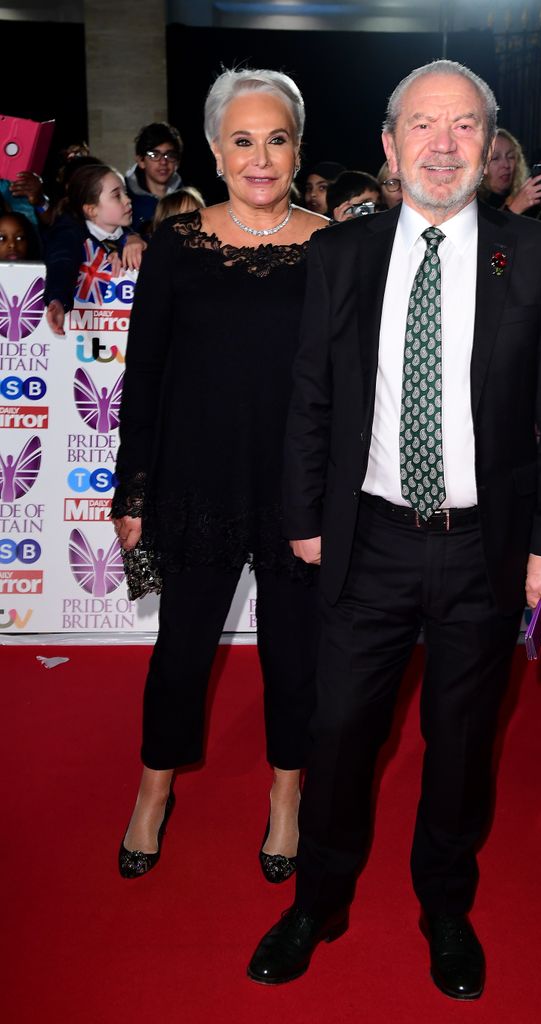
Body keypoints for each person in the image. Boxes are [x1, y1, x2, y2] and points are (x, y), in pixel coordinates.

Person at [248, 58, 541, 998]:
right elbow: (311, 399)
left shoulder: (540, 256)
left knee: (461, 740)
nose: (444, 144)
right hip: (370, 541)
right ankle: (315, 901)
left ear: (488, 149)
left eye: (465, 127)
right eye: (424, 126)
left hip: (487, 548)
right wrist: (307, 519)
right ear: (391, 147)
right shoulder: (343, 255)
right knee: (340, 731)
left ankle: (445, 905)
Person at [112, 68, 328, 884]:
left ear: (297, 147)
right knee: (181, 652)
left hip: (296, 489)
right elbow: (145, 373)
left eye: (276, 139)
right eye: (243, 140)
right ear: (215, 149)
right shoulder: (177, 243)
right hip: (195, 481)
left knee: (293, 655)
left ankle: (285, 800)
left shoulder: (333, 246)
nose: (261, 158)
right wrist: (134, 485)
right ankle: (152, 794)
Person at [42, 164, 140, 336]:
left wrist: (136, 242)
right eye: (117, 195)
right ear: (91, 210)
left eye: (125, 192)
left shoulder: (132, 236)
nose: (128, 200)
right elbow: (62, 262)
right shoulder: (68, 234)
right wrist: (57, 299)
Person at [125, 122, 184, 234]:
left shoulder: (187, 199)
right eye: (154, 155)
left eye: (170, 155)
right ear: (141, 161)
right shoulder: (125, 198)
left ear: (177, 161)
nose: (163, 162)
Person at [478, 128, 541, 213]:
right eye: (495, 158)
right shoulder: (468, 203)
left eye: (511, 157)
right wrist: (515, 208)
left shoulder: (523, 197)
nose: (506, 165)